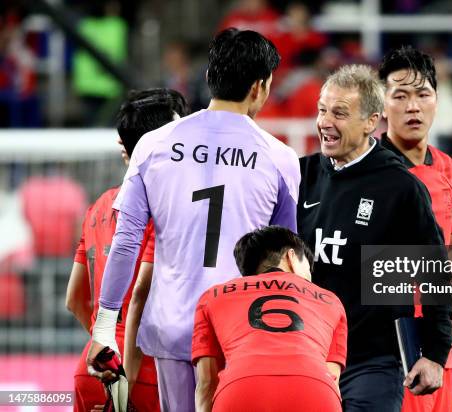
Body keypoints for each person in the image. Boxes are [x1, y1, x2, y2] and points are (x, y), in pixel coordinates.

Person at [87, 28, 300, 412]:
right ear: (260, 86)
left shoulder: (153, 145)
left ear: (208, 76)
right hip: (242, 331)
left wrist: (105, 326)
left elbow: (126, 240)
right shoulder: (280, 158)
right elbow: (284, 264)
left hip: (173, 326)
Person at [297, 64, 452, 411]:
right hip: (305, 353)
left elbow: (434, 273)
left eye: (340, 113)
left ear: (371, 122)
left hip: (371, 359)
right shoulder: (300, 175)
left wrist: (435, 354)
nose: (325, 122)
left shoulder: (399, 187)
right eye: (322, 110)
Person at [65, 87, 188, 412]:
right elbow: (143, 295)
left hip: (94, 365)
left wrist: (107, 339)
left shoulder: (98, 207)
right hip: (149, 371)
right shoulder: (170, 209)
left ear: (125, 147)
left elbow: (75, 299)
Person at [378, 45, 452, 412]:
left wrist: (450, 315)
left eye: (422, 94)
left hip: (436, 345)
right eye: (400, 96)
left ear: (436, 100)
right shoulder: (367, 173)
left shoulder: (450, 171)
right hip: (384, 349)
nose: (413, 106)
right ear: (382, 105)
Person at [192, 225, 347, 412]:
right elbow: (332, 377)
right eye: (308, 267)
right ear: (291, 257)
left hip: (239, 391)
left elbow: (207, 383)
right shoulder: (331, 301)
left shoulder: (213, 295)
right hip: (316, 392)